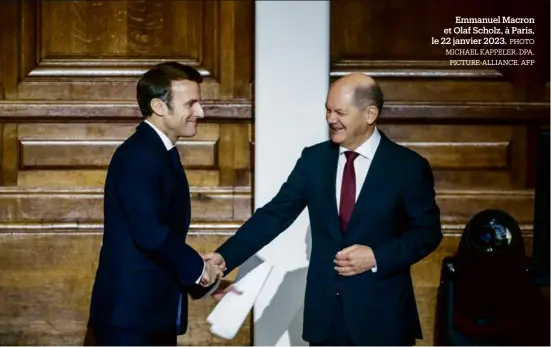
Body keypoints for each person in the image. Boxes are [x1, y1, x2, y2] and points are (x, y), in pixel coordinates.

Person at [204, 73, 443, 346]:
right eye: (327, 110)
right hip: (326, 318)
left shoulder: (408, 167)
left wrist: (377, 256)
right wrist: (224, 257)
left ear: (370, 113)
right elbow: (274, 215)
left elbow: (428, 233)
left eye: (340, 112)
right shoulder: (314, 160)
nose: (330, 119)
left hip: (384, 318)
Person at [87, 62, 225, 346]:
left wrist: (208, 280)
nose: (200, 112)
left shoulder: (158, 152)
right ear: (160, 107)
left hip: (148, 315)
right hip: (131, 320)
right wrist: (200, 272)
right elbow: (151, 234)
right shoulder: (139, 155)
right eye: (191, 104)